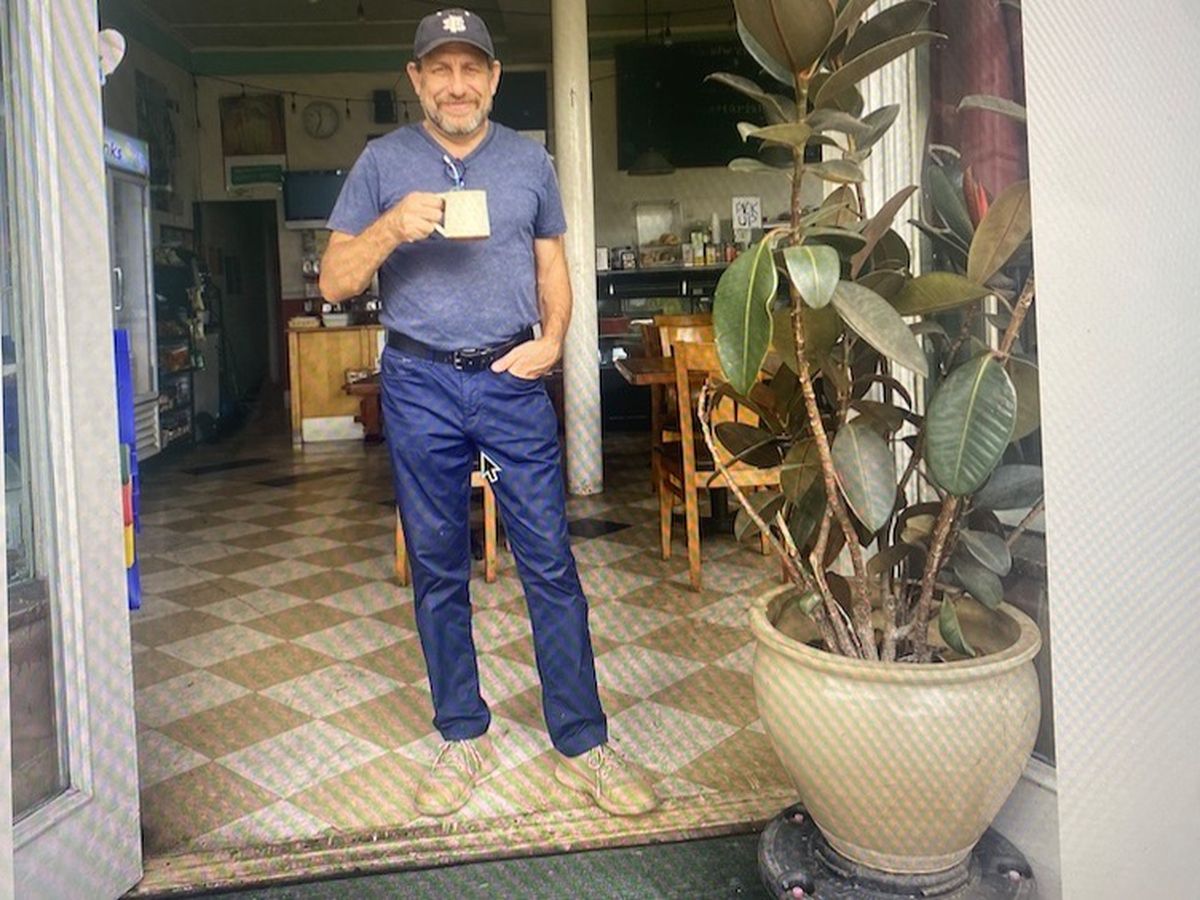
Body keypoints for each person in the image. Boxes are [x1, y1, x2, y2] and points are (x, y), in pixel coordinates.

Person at [319, 8, 658, 819]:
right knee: (438, 565)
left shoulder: (529, 161)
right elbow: (334, 281)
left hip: (510, 381)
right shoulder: (381, 162)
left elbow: (553, 267)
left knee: (549, 561)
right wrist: (390, 226)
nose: (457, 84)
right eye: (440, 68)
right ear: (417, 80)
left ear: (494, 78)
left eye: (471, 68)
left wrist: (554, 341)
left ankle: (583, 743)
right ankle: (462, 734)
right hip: (418, 382)